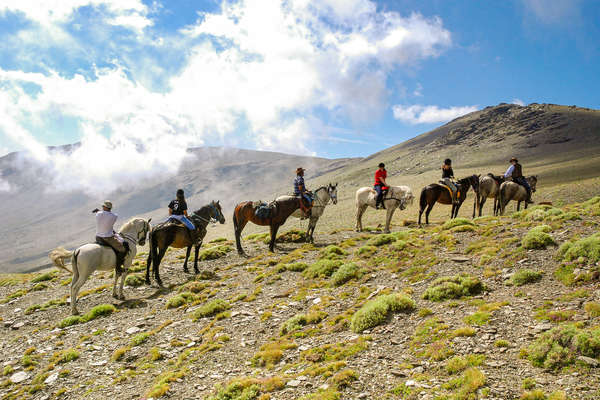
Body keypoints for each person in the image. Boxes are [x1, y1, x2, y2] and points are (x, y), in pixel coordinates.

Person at [93, 200, 127, 272]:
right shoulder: (114, 216)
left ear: (105, 207)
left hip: (98, 237)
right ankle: (118, 267)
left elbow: (102, 215)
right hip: (108, 238)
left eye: (103, 206)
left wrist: (99, 211)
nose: (102, 207)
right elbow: (107, 216)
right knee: (122, 249)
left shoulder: (98, 214)